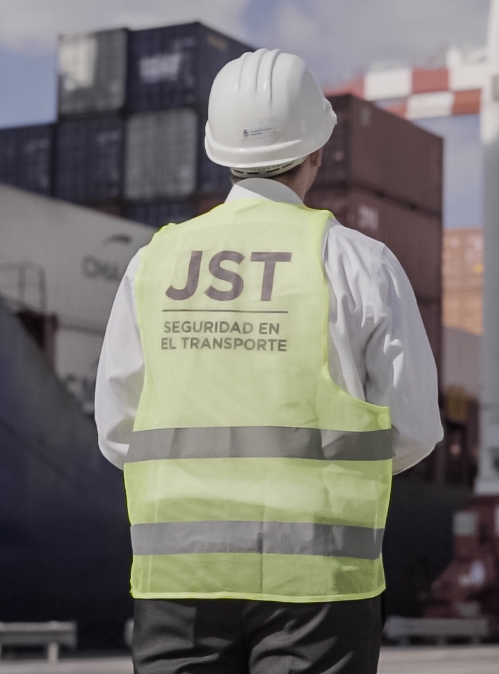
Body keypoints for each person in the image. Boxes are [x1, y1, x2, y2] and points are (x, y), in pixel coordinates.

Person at [94, 48, 443, 674]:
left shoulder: (153, 262)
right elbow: (414, 431)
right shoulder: (359, 262)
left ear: (219, 152)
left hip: (179, 580)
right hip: (319, 582)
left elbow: (118, 431)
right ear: (317, 151)